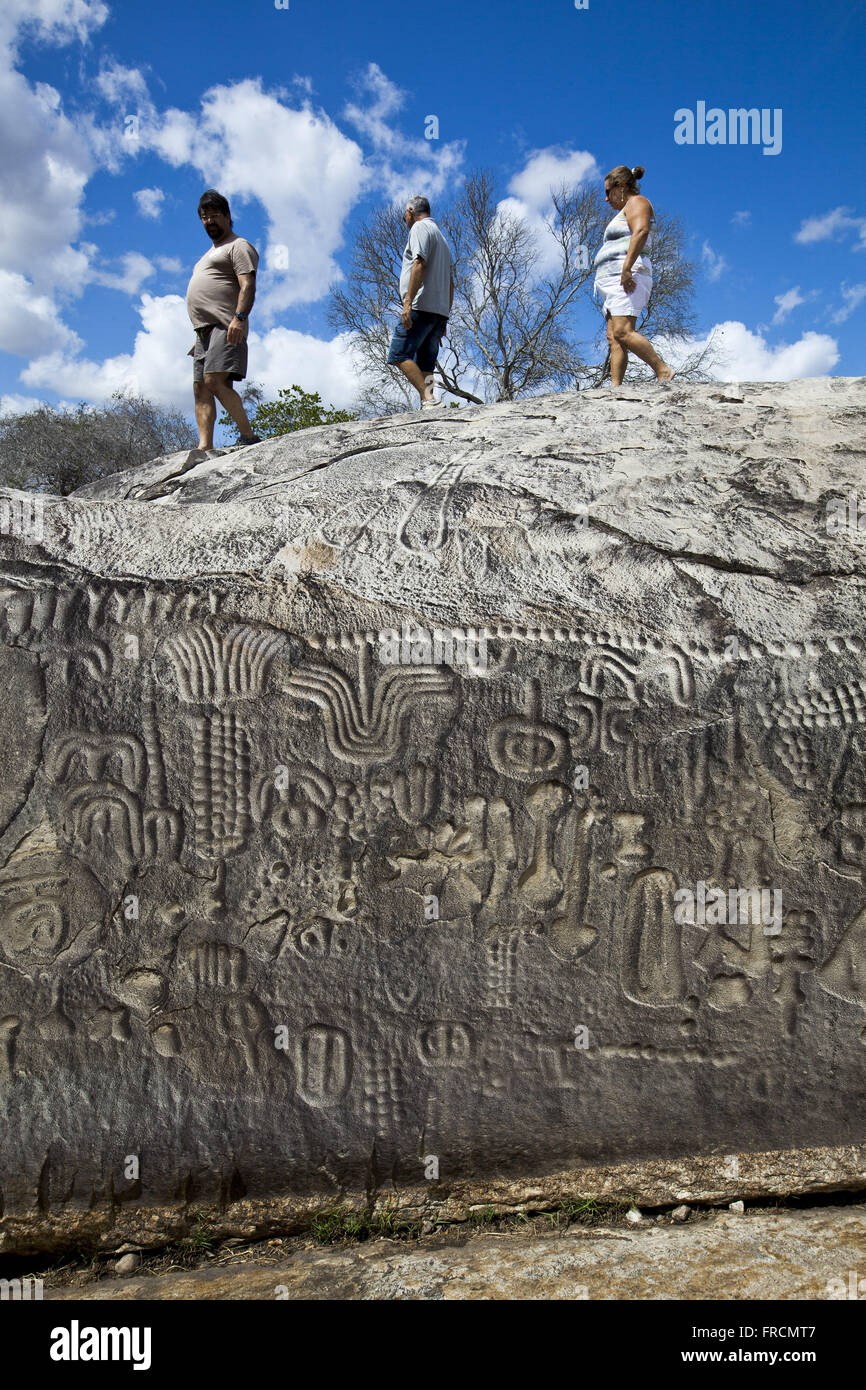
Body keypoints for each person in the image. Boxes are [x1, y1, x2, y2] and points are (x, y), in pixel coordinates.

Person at [185, 190, 262, 449]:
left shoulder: (239, 246)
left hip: (226, 325)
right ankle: (204, 447)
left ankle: (248, 436)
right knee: (200, 389)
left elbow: (247, 284)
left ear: (227, 216)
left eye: (214, 216)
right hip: (203, 332)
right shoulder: (206, 255)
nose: (209, 222)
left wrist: (239, 318)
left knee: (215, 381)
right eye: (204, 217)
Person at [593, 166, 675, 385]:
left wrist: (627, 269)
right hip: (614, 282)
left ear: (621, 187)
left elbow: (641, 232)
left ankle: (663, 371)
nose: (606, 198)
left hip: (630, 276)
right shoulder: (624, 209)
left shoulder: (637, 202)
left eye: (608, 191)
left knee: (623, 331)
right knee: (613, 337)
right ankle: (615, 388)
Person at [386, 196, 454, 408]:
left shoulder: (420, 228)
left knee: (398, 353)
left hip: (421, 306)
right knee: (426, 361)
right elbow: (451, 284)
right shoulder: (442, 240)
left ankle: (428, 398)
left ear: (410, 212)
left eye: (404, 215)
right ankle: (431, 405)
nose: (404, 220)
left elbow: (420, 263)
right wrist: (444, 318)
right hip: (439, 310)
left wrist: (408, 303)